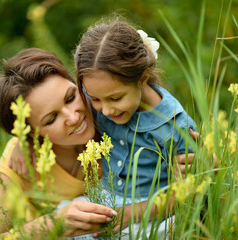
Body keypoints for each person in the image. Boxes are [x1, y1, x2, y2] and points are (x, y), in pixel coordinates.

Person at [74, 19, 197, 238]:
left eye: (115, 98)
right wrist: (20, 145)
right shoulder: (98, 92)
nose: (106, 110)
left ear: (142, 78)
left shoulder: (174, 125)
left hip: (149, 212)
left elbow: (185, 194)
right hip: (106, 198)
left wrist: (130, 214)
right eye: (96, 99)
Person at [0, 48, 117, 238]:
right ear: (31, 132)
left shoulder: (110, 111)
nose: (73, 117)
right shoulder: (18, 164)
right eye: (51, 119)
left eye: (70, 98)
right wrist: (51, 225)